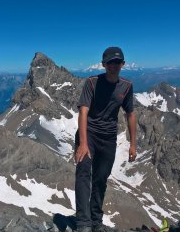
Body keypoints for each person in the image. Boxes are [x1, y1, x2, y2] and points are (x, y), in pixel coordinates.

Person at [75, 46, 137, 232]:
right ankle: (83, 223)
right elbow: (83, 111)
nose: (113, 66)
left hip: (108, 138)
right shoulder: (92, 82)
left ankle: (96, 221)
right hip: (89, 134)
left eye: (117, 62)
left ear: (123, 64)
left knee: (101, 179)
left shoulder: (126, 86)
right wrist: (83, 143)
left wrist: (133, 144)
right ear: (103, 64)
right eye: (110, 62)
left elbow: (131, 113)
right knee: (84, 172)